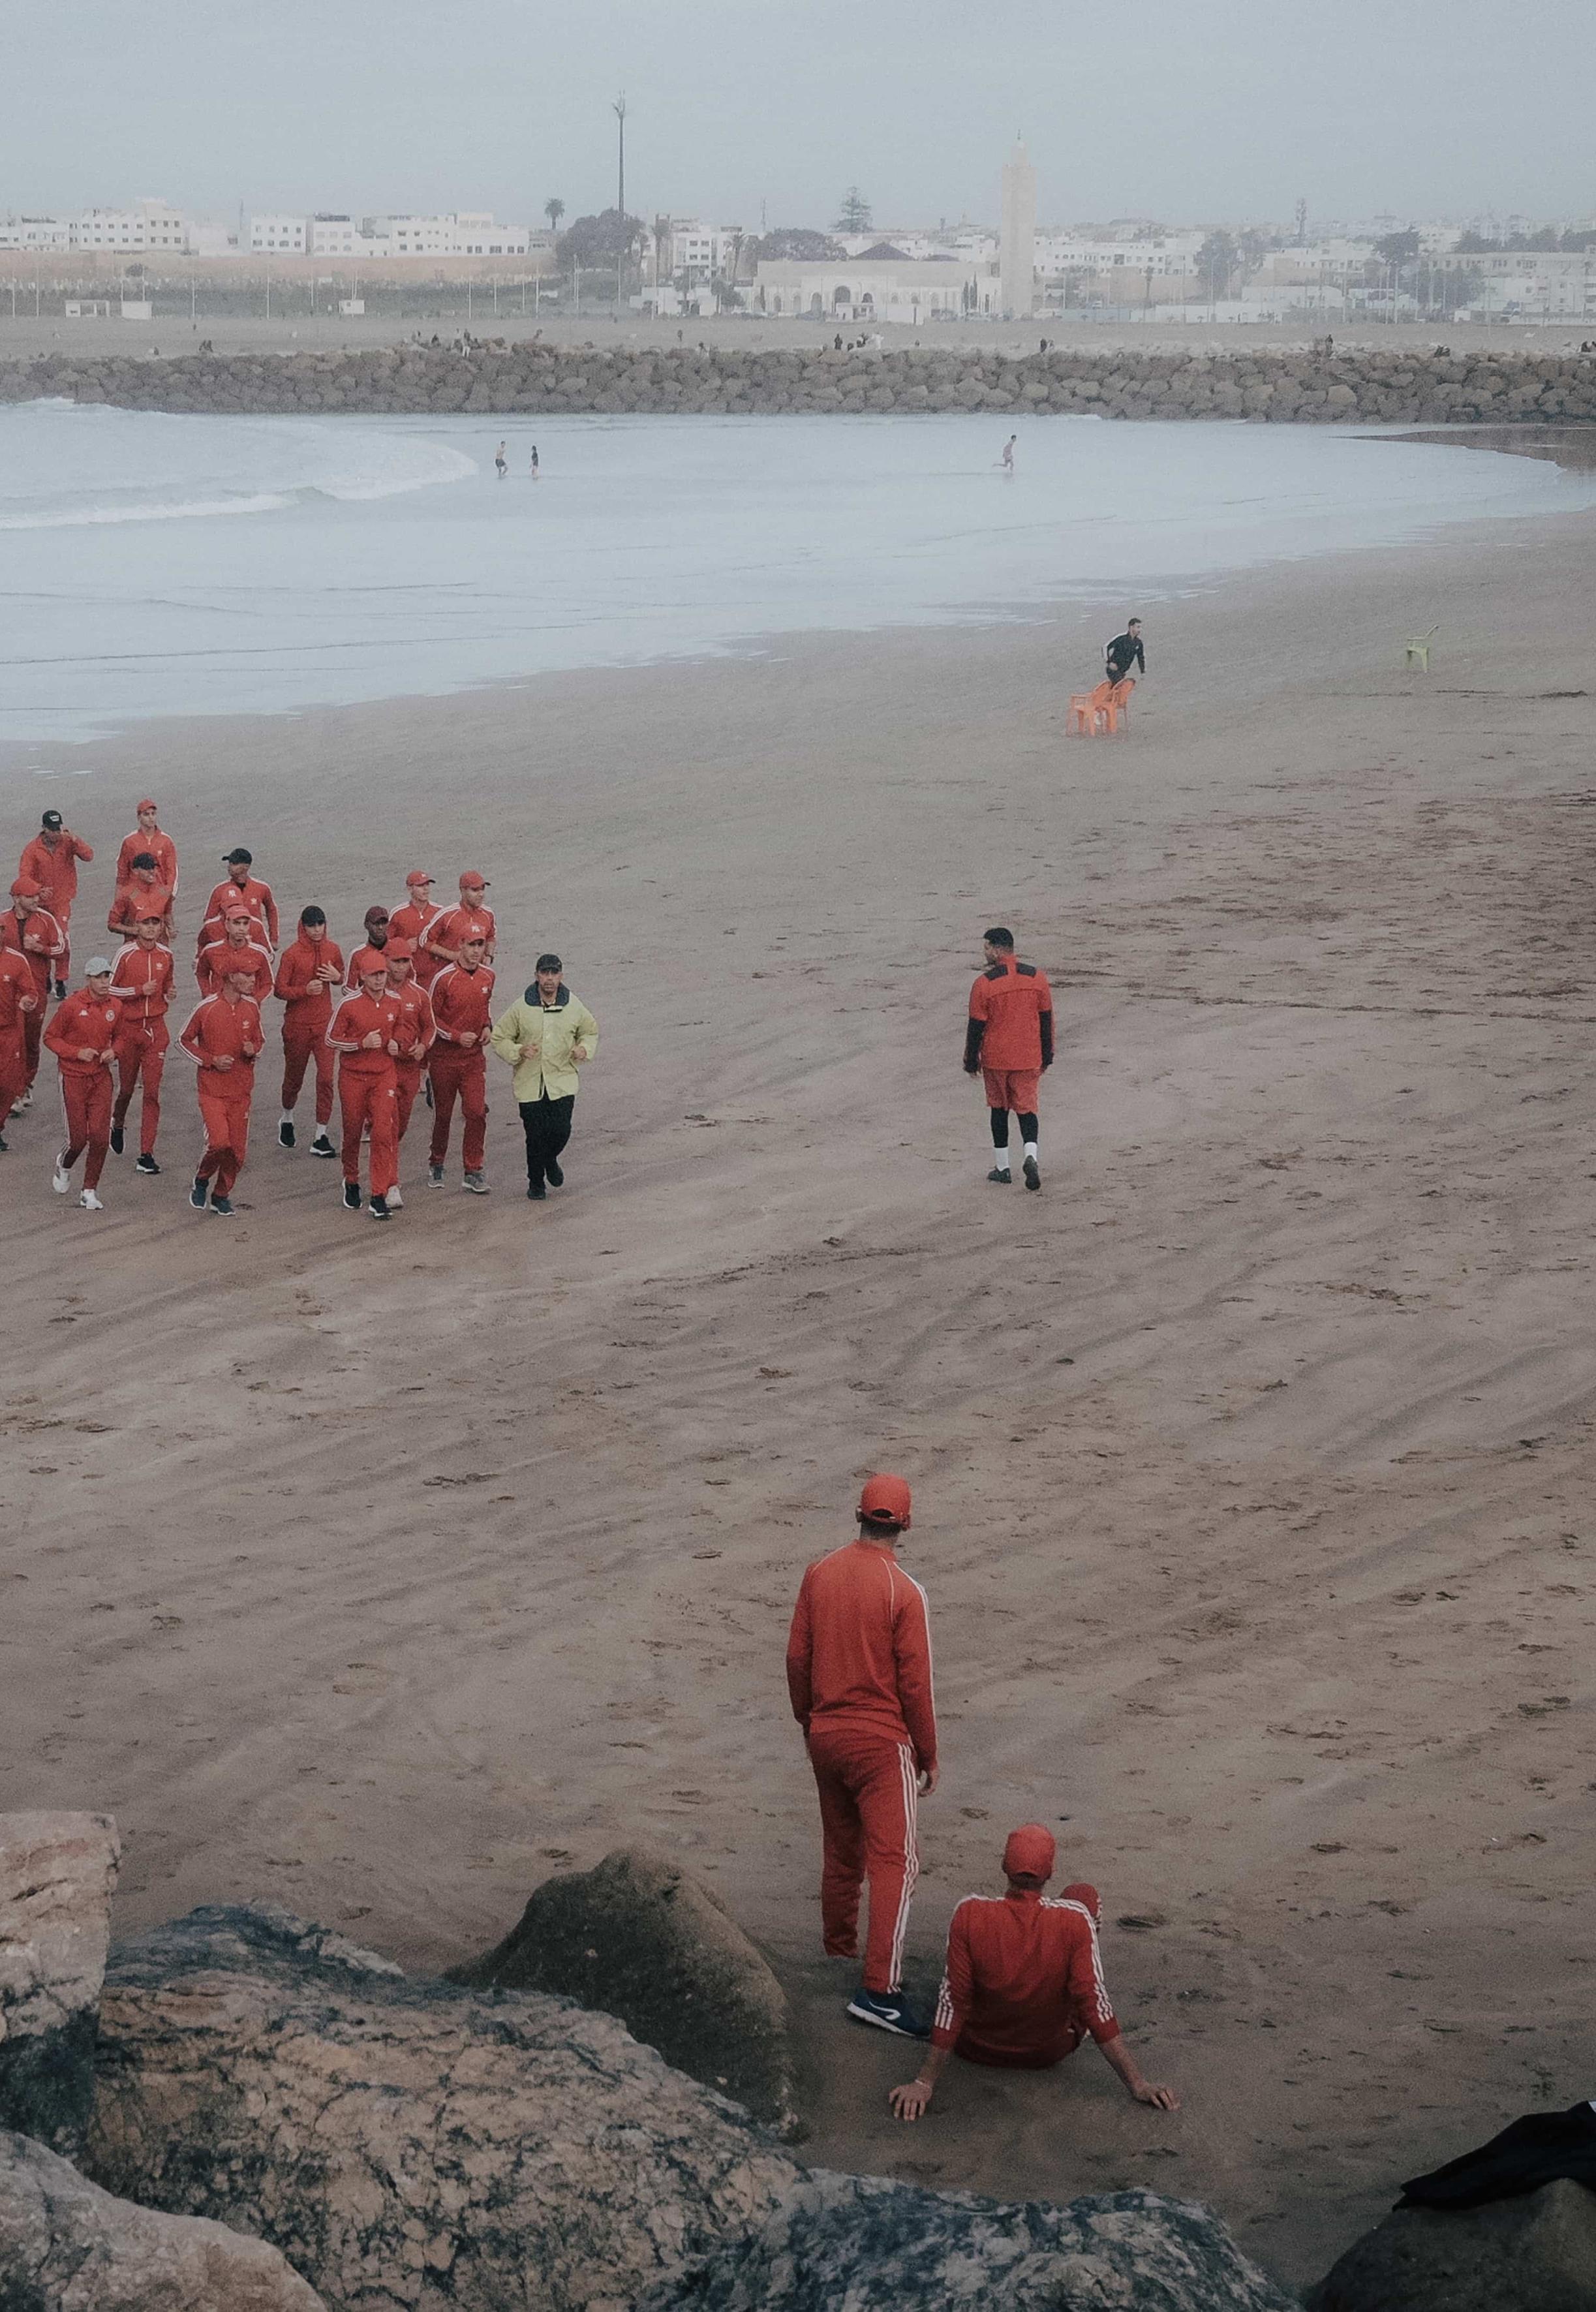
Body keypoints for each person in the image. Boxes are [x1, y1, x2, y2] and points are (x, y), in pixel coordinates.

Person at [785, 1474, 938, 2037]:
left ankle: (838, 1953)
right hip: (881, 1743)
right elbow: (916, 1684)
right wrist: (928, 1753)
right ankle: (880, 1989)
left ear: (859, 1514)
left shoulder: (819, 1573)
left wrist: (808, 1719)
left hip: (826, 1733)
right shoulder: (905, 1591)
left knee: (841, 1849)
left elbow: (797, 1657)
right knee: (897, 1861)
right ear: (906, 1524)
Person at [889, 1826, 1179, 2121]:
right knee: (1083, 1897)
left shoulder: (969, 1912)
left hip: (974, 2046)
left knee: (961, 1982)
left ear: (1004, 1866)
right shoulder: (1075, 1919)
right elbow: (1094, 2003)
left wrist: (924, 2082)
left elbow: (954, 2001)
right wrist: (1138, 2083)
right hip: (1048, 2051)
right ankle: (1071, 1967)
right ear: (1049, 1873)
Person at [489, 952, 599, 1201]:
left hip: (562, 1080)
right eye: (544, 973)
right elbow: (499, 1037)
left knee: (561, 1130)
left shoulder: (573, 1006)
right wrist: (519, 1051)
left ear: (561, 976)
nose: (549, 978)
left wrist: (584, 1049)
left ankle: (550, 1160)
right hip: (530, 1082)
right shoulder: (521, 1007)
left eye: (554, 973)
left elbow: (590, 1032)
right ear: (537, 976)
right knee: (535, 1135)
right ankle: (536, 1183)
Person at [964, 927, 1052, 1192]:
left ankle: (1003, 1168)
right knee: (1027, 1110)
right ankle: (1031, 1155)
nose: (985, 952)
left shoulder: (984, 984)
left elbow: (976, 1027)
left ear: (996, 949)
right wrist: (1047, 1055)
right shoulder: (1037, 978)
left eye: (987, 948)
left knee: (999, 1109)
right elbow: (1046, 1021)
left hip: (997, 1058)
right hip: (1028, 1056)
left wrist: (971, 1061)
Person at [179, 960, 264, 1217]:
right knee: (218, 1143)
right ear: (230, 977)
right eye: (247, 975)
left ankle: (221, 1195)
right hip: (212, 1091)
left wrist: (253, 1050)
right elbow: (182, 1041)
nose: (253, 980)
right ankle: (202, 1178)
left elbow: (259, 1040)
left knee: (237, 1153)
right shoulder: (207, 1008)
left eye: (254, 975)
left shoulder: (252, 1007)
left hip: (241, 1092)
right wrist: (211, 1060)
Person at [326, 960, 403, 1221]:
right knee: (352, 1130)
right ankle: (351, 1179)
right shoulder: (349, 1004)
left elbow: (401, 1031)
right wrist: (361, 1043)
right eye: (373, 974)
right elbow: (331, 1038)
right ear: (363, 976)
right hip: (354, 1077)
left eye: (382, 974)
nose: (379, 979)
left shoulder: (395, 1002)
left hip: (384, 1076)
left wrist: (396, 1044)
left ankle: (379, 1194)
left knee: (382, 1131)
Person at [44, 957, 121, 1212]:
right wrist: (77, 1053)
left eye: (107, 977)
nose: (104, 982)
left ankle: (89, 1190)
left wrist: (114, 1051)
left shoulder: (115, 1006)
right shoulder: (71, 1006)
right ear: (88, 979)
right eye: (99, 977)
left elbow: (122, 1037)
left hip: (100, 1078)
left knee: (100, 1137)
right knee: (78, 1139)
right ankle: (64, 1164)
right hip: (73, 1077)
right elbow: (51, 1038)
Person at [273, 904, 344, 1155]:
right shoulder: (291, 955)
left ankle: (320, 1135)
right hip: (297, 1026)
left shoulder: (332, 949)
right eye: (311, 925)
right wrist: (304, 990)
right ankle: (287, 1117)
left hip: (324, 1025)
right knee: (294, 1078)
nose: (317, 930)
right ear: (303, 927)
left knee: (326, 1079)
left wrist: (337, 977)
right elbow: (279, 989)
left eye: (320, 924)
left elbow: (342, 976)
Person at [427, 933, 495, 1192]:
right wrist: (456, 1036)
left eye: (480, 945)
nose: (476, 951)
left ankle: (473, 1169)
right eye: (472, 945)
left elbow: (484, 1008)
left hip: (473, 1059)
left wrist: (487, 1026)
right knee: (443, 1115)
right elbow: (430, 1019)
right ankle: (437, 1161)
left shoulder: (488, 976)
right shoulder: (443, 979)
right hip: (444, 1059)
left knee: (476, 1112)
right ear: (461, 945)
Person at [108, 913, 174, 1175]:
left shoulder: (166, 955)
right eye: (146, 923)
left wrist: (169, 992)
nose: (150, 928)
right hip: (129, 1029)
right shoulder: (125, 953)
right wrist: (137, 990)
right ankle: (118, 1122)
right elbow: (107, 989)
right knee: (126, 1089)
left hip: (156, 1029)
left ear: (161, 928)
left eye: (155, 923)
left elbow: (167, 985)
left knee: (152, 1092)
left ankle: (147, 1153)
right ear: (137, 927)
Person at [1, 877, 66, 1103]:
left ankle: (26, 1083)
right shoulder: (3, 921)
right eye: (30, 896)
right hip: (8, 992)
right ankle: (13, 1089)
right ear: (16, 898)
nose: (36, 900)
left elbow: (62, 949)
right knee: (11, 1041)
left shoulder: (46, 919)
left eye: (37, 895)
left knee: (30, 1040)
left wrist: (40, 948)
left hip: (36, 989)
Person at [19, 809, 94, 998]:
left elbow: (89, 856)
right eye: (52, 829)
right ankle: (45, 976)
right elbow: (24, 876)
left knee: (63, 940)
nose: (56, 833)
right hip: (39, 905)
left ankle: (61, 979)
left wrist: (76, 840)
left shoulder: (68, 842)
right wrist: (37, 890)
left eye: (58, 829)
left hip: (62, 901)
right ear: (44, 828)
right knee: (40, 941)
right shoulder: (32, 849)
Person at [382, 938, 435, 1205]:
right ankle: (391, 1184)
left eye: (405, 961)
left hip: (410, 1069)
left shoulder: (419, 994)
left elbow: (430, 1028)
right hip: (384, 1069)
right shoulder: (375, 992)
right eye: (396, 961)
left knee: (400, 1125)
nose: (401, 967)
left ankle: (384, 1162)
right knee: (389, 1128)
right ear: (386, 961)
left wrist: (423, 1047)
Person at [0, 938, 39, 1150]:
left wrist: (27, 1001)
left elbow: (31, 992)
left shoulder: (17, 960)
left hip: (9, 1031)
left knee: (8, 1085)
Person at [201, 848, 279, 951]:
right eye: (229, 863)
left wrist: (273, 939)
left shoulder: (261, 888)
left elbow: (272, 911)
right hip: (229, 944)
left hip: (255, 941)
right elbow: (209, 920)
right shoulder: (219, 890)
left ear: (246, 866)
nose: (229, 867)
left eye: (234, 864)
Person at [196, 908, 274, 1002]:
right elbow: (201, 974)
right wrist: (207, 995)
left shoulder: (260, 953)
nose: (241, 928)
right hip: (219, 1004)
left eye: (245, 924)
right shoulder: (210, 951)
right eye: (236, 923)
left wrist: (255, 1001)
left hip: (248, 1007)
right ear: (227, 925)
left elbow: (268, 984)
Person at [425, 871, 497, 969]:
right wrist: (450, 955)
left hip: (477, 972)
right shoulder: (447, 915)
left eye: (482, 889)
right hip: (449, 971)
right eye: (475, 890)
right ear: (463, 890)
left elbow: (491, 937)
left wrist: (489, 956)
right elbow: (425, 941)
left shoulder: (488, 914)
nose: (481, 894)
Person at [389, 871, 446, 989]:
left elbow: (449, 940)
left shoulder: (440, 911)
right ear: (410, 889)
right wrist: (404, 946)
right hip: (408, 975)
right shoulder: (398, 913)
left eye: (427, 885)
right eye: (420, 886)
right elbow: (385, 945)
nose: (426, 889)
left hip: (435, 973)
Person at [114, 800, 177, 899]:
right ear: (139, 817)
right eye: (146, 814)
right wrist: (120, 896)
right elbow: (122, 870)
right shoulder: (130, 842)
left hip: (159, 893)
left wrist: (170, 892)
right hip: (136, 894)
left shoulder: (166, 841)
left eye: (153, 814)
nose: (151, 818)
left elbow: (172, 870)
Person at [106, 852, 174, 942]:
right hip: (135, 945)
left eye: (153, 867)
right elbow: (112, 924)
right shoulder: (126, 894)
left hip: (160, 944)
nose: (151, 871)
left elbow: (167, 914)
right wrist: (132, 930)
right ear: (136, 871)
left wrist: (171, 928)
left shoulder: (165, 892)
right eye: (146, 868)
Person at [345, 905, 391, 987]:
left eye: (384, 923)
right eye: (376, 924)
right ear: (366, 925)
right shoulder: (357, 955)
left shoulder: (397, 949)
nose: (380, 927)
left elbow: (411, 978)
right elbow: (348, 988)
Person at [1104, 617, 1145, 685]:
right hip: (1113, 670)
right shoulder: (1121, 638)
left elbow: (1141, 658)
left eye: (1140, 627)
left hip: (1123, 671)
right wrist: (1109, 662)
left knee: (1117, 687)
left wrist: (1142, 672)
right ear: (1131, 627)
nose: (1140, 630)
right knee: (1119, 686)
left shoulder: (1138, 643)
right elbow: (1106, 647)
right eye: (1138, 627)